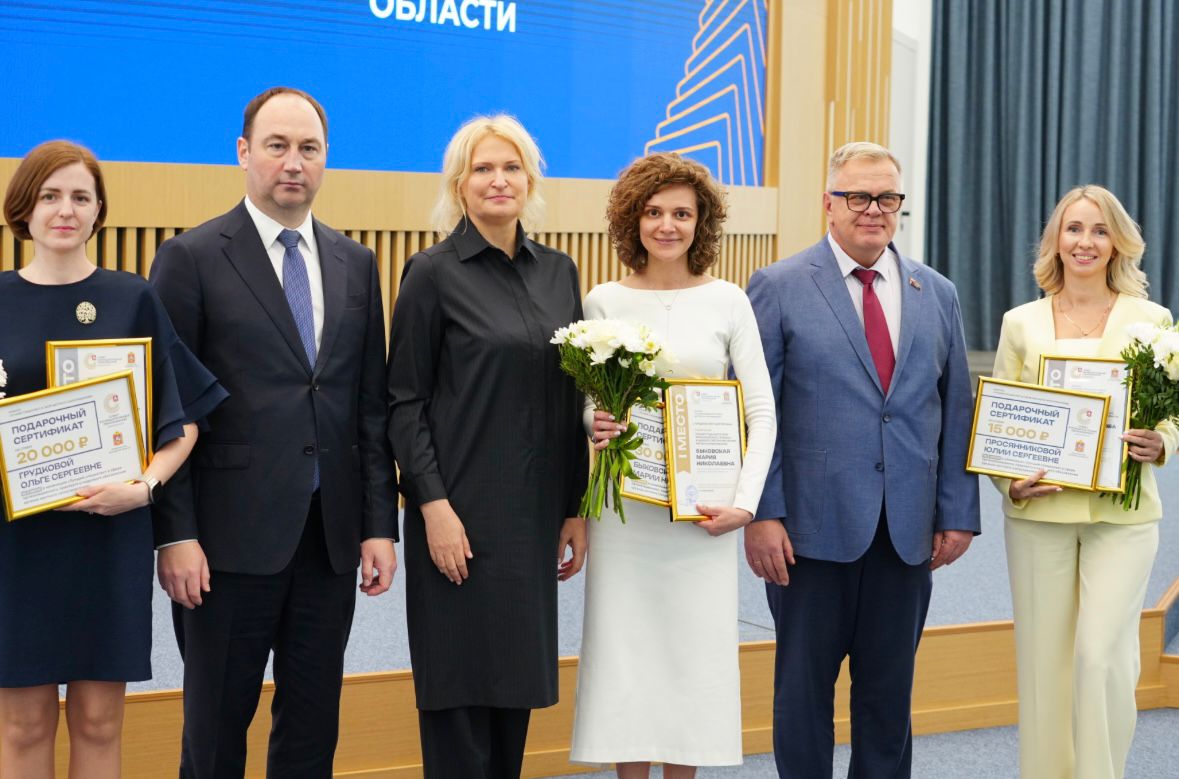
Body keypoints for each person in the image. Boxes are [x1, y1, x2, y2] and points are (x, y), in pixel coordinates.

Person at [149, 87, 398, 778]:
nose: (294, 162)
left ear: (326, 158)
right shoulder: (190, 257)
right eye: (277, 146)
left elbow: (368, 409)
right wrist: (174, 533)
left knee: (312, 732)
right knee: (215, 735)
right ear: (243, 151)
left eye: (309, 148)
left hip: (329, 541)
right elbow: (167, 410)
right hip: (224, 544)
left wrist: (379, 525)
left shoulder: (356, 262)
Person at [744, 141, 981, 777]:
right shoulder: (778, 287)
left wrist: (958, 512)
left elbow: (956, 408)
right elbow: (756, 413)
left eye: (887, 197)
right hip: (808, 535)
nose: (873, 209)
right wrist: (763, 513)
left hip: (906, 533)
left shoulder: (937, 292)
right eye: (857, 196)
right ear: (829, 202)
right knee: (802, 697)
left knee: (887, 699)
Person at [0, 141, 225, 779]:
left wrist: (145, 488)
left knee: (100, 721)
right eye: (50, 196)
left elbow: (182, 425)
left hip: (107, 540)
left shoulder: (132, 299)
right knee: (21, 725)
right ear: (24, 208)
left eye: (80, 197)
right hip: (15, 545)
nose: (65, 210)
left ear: (99, 211)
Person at [386, 114, 588, 779]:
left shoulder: (560, 272)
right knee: (458, 698)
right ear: (459, 185)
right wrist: (432, 506)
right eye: (482, 168)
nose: (498, 180)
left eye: (510, 167)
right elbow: (404, 403)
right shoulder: (431, 273)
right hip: (458, 517)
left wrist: (575, 506)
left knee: (511, 698)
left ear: (529, 180)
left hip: (531, 521)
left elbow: (570, 398)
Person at [569, 153, 777, 777]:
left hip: (701, 515)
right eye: (654, 212)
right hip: (626, 516)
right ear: (632, 219)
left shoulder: (728, 300)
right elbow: (587, 404)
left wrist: (744, 504)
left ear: (701, 222)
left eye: (682, 214)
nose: (667, 225)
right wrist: (595, 421)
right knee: (626, 660)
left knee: (694, 661)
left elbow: (762, 413)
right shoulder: (602, 301)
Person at [991, 185, 1175, 779]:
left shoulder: (1152, 321)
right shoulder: (1020, 323)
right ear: (1056, 240)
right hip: (1039, 517)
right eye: (1074, 229)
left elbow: (1171, 411)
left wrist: (1163, 441)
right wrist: (1009, 483)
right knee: (1043, 666)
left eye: (1099, 230)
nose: (1085, 242)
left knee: (1100, 659)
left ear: (1117, 242)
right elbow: (999, 424)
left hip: (1122, 519)